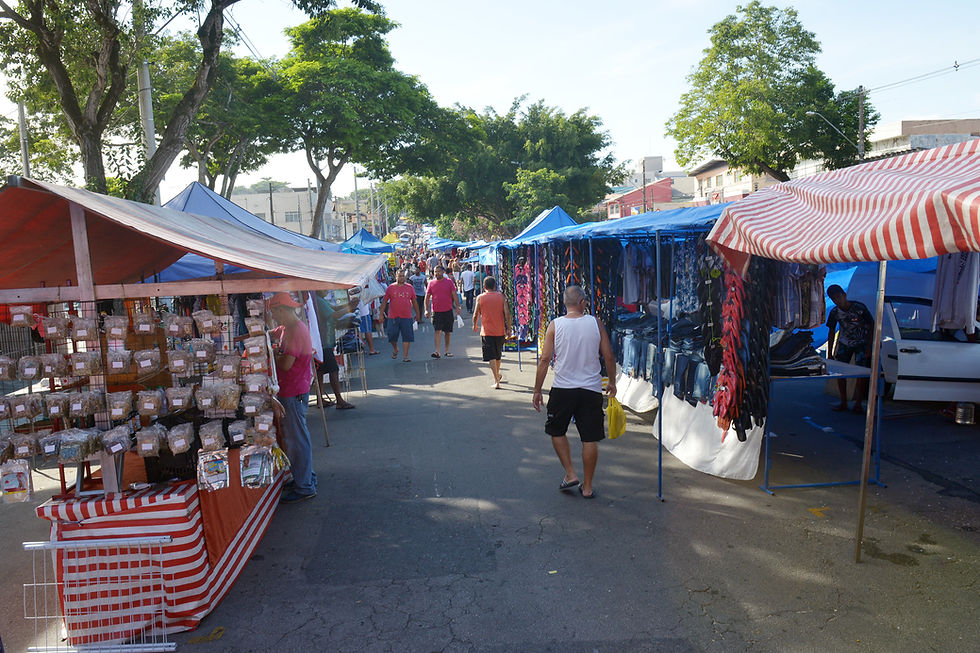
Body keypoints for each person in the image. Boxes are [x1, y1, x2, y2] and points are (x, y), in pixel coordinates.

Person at [532, 286, 616, 500]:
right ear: (583, 302)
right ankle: (587, 487)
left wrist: (537, 390)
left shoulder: (555, 325)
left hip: (563, 388)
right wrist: (612, 382)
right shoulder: (595, 323)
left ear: (565, 303)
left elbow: (544, 360)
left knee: (556, 430)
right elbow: (608, 356)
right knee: (589, 438)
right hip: (590, 389)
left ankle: (570, 473)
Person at [269, 292, 317, 503]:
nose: (274, 316)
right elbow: (271, 333)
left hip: (293, 392)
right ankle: (305, 478)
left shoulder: (295, 331)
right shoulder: (287, 328)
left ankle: (305, 486)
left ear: (282, 310)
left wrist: (273, 354)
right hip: (294, 390)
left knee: (297, 441)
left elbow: (286, 364)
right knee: (297, 438)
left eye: (274, 312)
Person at [826, 284, 875, 413]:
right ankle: (843, 402)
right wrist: (830, 352)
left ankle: (858, 403)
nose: (837, 301)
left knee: (860, 373)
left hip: (862, 343)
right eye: (834, 299)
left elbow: (872, 325)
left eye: (838, 297)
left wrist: (870, 347)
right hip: (844, 343)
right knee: (840, 372)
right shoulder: (834, 312)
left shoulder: (859, 308)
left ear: (844, 295)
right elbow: (831, 332)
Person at [312, 290, 356, 410]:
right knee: (333, 370)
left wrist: (349, 306)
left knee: (320, 371)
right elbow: (335, 315)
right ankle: (339, 400)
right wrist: (349, 308)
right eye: (325, 288)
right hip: (323, 341)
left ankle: (320, 399)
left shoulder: (320, 300)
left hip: (322, 340)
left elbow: (334, 308)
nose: (327, 290)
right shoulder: (319, 301)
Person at [472, 275, 511, 389]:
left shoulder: (480, 298)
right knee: (498, 355)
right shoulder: (501, 297)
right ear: (495, 286)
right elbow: (507, 313)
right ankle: (497, 375)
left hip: (487, 332)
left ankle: (496, 380)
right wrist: (508, 328)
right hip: (500, 331)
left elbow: (475, 314)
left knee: (491, 356)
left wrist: (474, 325)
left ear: (484, 286)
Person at [381, 269, 419, 362]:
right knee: (392, 335)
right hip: (393, 316)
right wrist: (381, 314)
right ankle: (395, 349)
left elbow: (414, 301)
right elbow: (385, 301)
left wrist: (418, 314)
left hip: (406, 316)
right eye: (400, 276)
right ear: (396, 276)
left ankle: (405, 356)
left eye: (403, 276)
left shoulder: (409, 287)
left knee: (407, 336)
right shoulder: (390, 288)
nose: (402, 278)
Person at [425, 265, 461, 358]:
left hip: (447, 310)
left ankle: (447, 350)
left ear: (443, 272)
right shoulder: (431, 283)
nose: (437, 273)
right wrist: (426, 310)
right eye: (435, 272)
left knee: (447, 332)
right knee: (437, 330)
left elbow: (454, 294)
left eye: (438, 271)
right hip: (436, 311)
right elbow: (427, 297)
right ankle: (437, 351)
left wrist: (458, 306)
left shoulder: (449, 282)